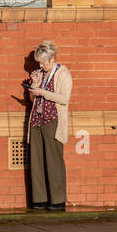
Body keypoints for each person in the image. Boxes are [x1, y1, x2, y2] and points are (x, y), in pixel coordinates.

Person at [24, 40, 73, 211]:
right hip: (37, 120)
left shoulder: (63, 73)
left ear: (52, 59)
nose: (41, 65)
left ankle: (58, 199)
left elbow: (64, 98)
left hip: (53, 120)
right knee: (36, 160)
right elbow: (34, 99)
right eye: (39, 61)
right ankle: (40, 198)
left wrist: (42, 92)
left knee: (53, 160)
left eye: (43, 62)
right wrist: (35, 86)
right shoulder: (42, 74)